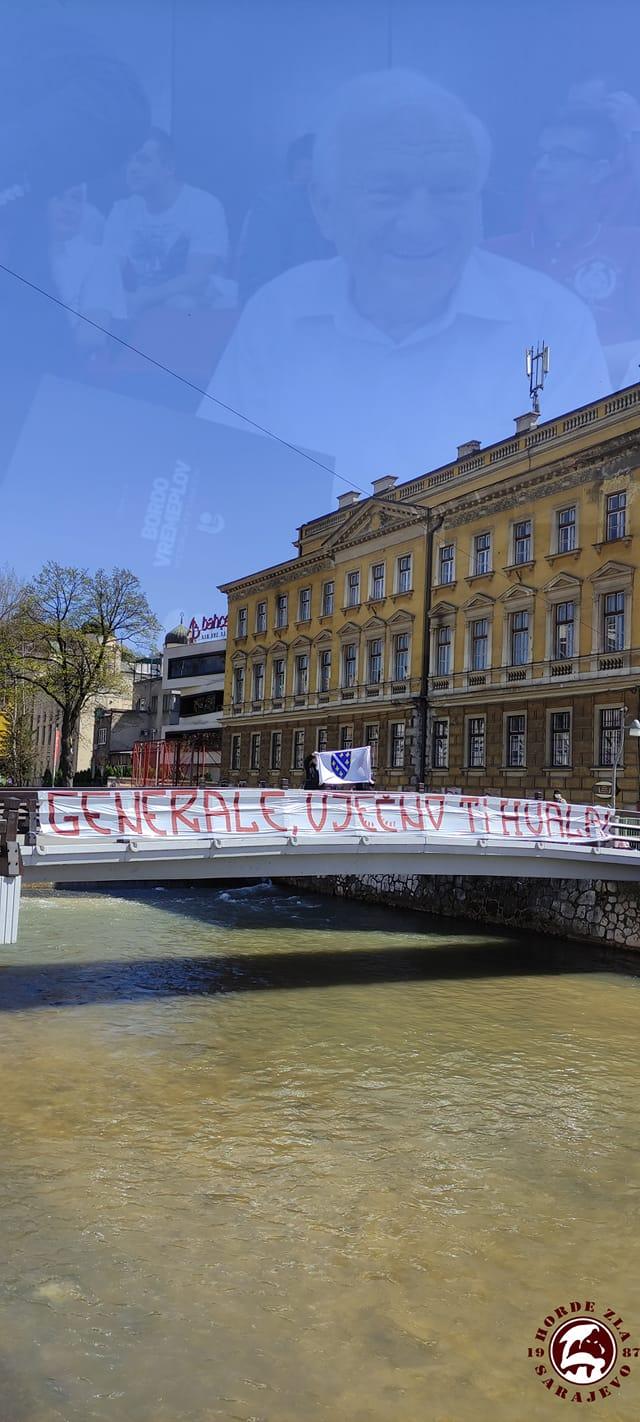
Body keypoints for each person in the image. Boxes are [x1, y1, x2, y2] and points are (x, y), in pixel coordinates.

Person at [199, 69, 609, 482]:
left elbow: (587, 494)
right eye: (387, 192)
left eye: (448, 190)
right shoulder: (278, 314)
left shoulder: (553, 324)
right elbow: (218, 481)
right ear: (325, 206)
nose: (419, 223)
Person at [488, 110, 640, 388]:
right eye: (540, 155)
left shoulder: (632, 246)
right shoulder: (495, 255)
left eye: (561, 156)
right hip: (507, 418)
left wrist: (573, 362)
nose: (543, 166)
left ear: (599, 171)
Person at [104, 129, 231, 317]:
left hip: (194, 309)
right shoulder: (122, 210)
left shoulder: (204, 206)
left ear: (169, 168)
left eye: (143, 160)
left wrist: (142, 298)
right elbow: (109, 270)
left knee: (181, 304)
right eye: (129, 161)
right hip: (140, 303)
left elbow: (198, 278)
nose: (132, 168)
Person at [236, 133, 334, 303]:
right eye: (306, 184)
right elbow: (258, 281)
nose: (312, 194)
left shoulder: (352, 208)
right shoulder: (273, 206)